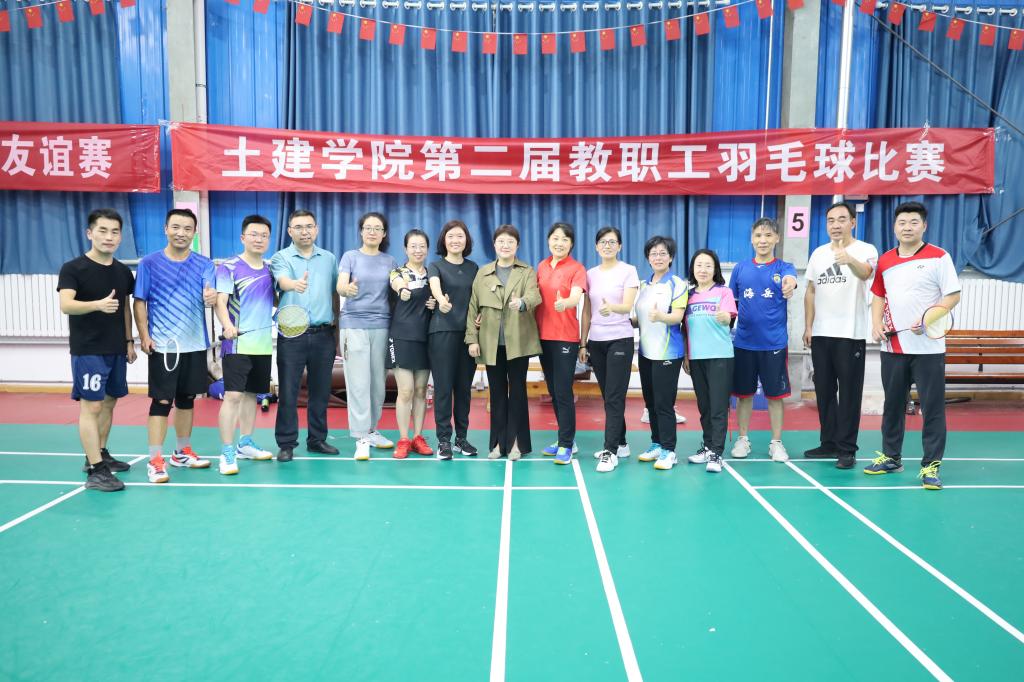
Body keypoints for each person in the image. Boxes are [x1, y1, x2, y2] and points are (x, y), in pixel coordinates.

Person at [867, 201, 960, 490]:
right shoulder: (885, 260)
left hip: (928, 350)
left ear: (924, 226)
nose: (907, 227)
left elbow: (952, 295)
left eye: (913, 222)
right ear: (895, 227)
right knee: (893, 405)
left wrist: (928, 318)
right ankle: (891, 457)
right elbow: (878, 295)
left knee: (932, 409)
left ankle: (931, 465)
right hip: (893, 347)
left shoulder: (939, 257)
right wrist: (876, 324)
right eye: (902, 222)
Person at [134, 208, 217, 483]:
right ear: (166, 229)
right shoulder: (149, 263)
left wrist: (211, 298)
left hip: (194, 343)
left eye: (187, 229)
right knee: (161, 401)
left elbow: (210, 295)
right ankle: (155, 460)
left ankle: (181, 452)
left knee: (187, 400)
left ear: (194, 233)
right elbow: (140, 302)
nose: (181, 233)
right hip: (164, 345)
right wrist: (144, 335)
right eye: (176, 227)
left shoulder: (204, 264)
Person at [57, 208, 136, 492]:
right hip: (88, 349)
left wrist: (129, 341)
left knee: (110, 402)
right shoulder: (73, 268)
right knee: (91, 406)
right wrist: (97, 305)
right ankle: (95, 470)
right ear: (90, 233)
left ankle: (100, 453)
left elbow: (125, 308)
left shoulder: (123, 271)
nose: (109, 237)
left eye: (115, 232)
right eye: (102, 231)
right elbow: (66, 304)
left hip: (116, 348)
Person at [803, 202, 878, 469]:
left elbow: (867, 273)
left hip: (850, 334)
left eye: (842, 219)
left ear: (853, 222)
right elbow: (811, 291)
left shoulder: (866, 250)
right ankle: (829, 443)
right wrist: (809, 326)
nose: (836, 225)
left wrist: (849, 259)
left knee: (849, 394)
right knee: (824, 391)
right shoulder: (818, 253)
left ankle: (847, 449)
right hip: (821, 333)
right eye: (831, 220)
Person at [466, 225, 541, 460]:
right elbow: (472, 307)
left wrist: (522, 302)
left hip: (518, 342)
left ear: (517, 246)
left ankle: (517, 443)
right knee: (497, 393)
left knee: (517, 391)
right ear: (494, 245)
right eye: (501, 241)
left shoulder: (527, 271)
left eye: (510, 242)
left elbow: (535, 295)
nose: (505, 245)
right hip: (491, 343)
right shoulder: (483, 273)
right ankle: (498, 444)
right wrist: (472, 338)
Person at [270, 209, 340, 462]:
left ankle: (317, 439)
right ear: (290, 231)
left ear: (316, 229)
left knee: (320, 392)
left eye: (309, 226)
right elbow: (282, 281)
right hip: (292, 334)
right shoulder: (280, 257)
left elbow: (335, 293)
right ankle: (286, 443)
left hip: (324, 334)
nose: (304, 231)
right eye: (298, 227)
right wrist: (294, 284)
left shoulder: (329, 259)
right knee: (288, 392)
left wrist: (336, 328)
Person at [729, 218, 798, 462]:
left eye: (768, 235)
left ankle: (776, 443)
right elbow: (731, 305)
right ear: (751, 239)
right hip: (744, 343)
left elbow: (791, 280)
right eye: (758, 235)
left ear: (777, 238)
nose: (763, 240)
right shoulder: (740, 269)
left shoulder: (784, 267)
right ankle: (742, 439)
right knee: (744, 395)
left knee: (775, 397)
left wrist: (790, 284)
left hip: (774, 344)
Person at [214, 215, 276, 475]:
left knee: (252, 395)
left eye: (264, 235)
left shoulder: (270, 269)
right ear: (243, 237)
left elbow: (274, 301)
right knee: (233, 396)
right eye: (254, 234)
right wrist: (227, 325)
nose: (259, 239)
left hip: (262, 344)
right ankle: (227, 451)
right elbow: (220, 301)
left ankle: (246, 443)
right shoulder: (229, 267)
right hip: (237, 343)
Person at [337, 212, 397, 461]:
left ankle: (371, 430)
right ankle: (361, 436)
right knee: (358, 383)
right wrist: (347, 289)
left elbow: (396, 291)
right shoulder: (350, 257)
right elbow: (341, 286)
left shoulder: (390, 261)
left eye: (377, 228)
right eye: (368, 228)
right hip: (354, 325)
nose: (372, 232)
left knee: (377, 385)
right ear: (361, 231)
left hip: (382, 326)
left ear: (384, 234)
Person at [579, 227, 639, 473]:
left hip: (620, 339)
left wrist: (611, 308)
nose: (607, 245)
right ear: (596, 246)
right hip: (596, 341)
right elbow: (586, 311)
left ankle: (610, 451)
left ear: (620, 246)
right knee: (608, 396)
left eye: (612, 242)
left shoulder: (628, 271)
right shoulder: (590, 274)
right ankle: (621, 443)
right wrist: (583, 343)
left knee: (614, 396)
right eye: (603, 242)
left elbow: (627, 306)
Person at [632, 236, 688, 471]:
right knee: (651, 402)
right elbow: (639, 318)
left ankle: (669, 450)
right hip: (645, 352)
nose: (658, 257)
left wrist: (660, 317)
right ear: (648, 258)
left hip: (668, 353)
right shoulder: (643, 285)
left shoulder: (677, 284)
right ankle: (656, 443)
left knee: (664, 403)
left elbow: (678, 316)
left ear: (671, 257)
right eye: (653, 253)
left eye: (663, 253)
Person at [427, 220, 480, 460]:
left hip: (468, 335)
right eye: (451, 236)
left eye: (460, 236)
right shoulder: (436, 266)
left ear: (466, 240)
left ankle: (461, 438)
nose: (455, 240)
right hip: (442, 332)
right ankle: (443, 440)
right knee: (443, 389)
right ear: (444, 240)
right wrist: (441, 301)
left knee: (463, 389)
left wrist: (480, 315)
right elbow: (435, 286)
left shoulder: (473, 268)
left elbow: (477, 298)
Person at [536, 222, 587, 465]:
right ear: (549, 241)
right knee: (554, 391)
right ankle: (566, 438)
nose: (559, 243)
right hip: (542, 336)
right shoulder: (542, 266)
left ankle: (566, 444)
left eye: (565, 239)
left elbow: (576, 296)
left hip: (565, 337)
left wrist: (565, 302)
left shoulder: (577, 268)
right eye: (555, 238)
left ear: (571, 244)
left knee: (563, 391)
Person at [683, 249, 737, 474]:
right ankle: (707, 447)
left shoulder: (724, 292)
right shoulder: (688, 295)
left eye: (708, 265)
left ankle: (716, 452)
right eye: (699, 265)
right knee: (704, 406)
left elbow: (729, 316)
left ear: (715, 269)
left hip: (720, 356)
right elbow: (684, 329)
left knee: (718, 407)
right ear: (692, 269)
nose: (703, 269)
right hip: (696, 358)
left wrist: (726, 317)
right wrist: (686, 355)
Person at [388, 229, 437, 458]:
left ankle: (418, 437)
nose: (418, 250)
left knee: (420, 390)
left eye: (422, 246)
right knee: (405, 390)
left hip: (425, 338)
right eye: (413, 246)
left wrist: (434, 303)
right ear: (405, 249)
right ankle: (403, 439)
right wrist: (403, 289)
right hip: (401, 336)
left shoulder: (432, 274)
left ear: (427, 249)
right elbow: (397, 283)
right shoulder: (399, 272)